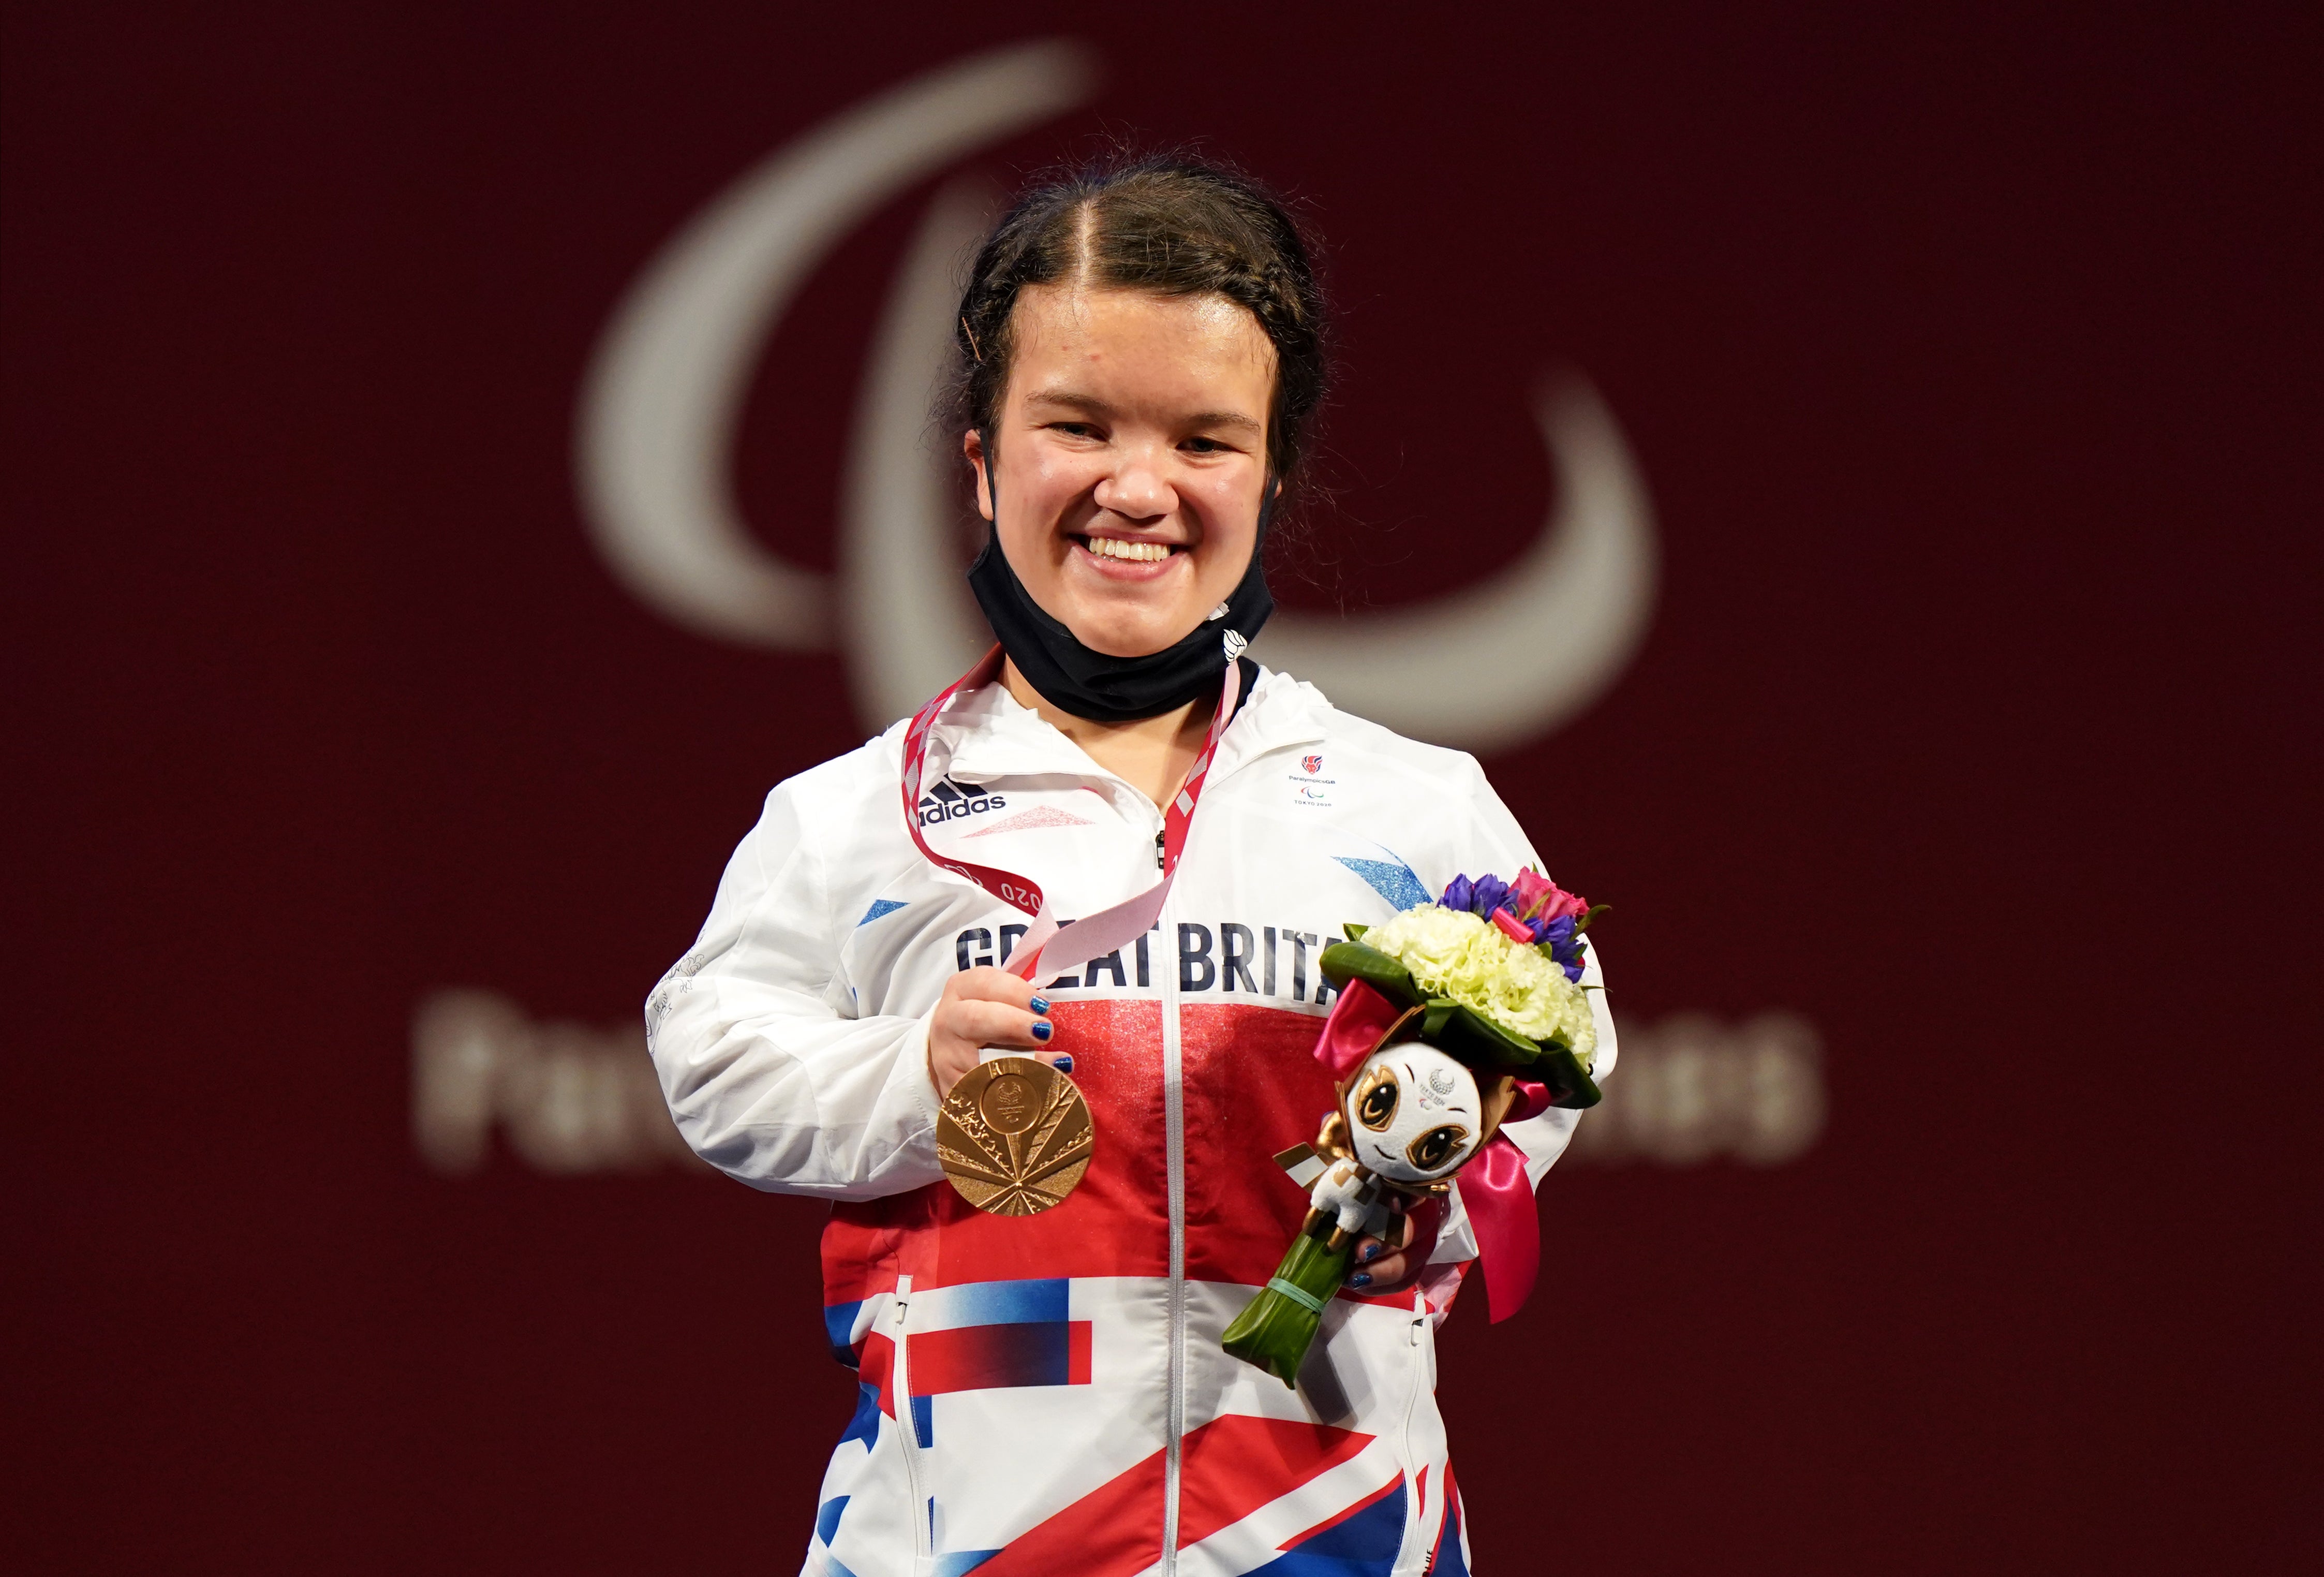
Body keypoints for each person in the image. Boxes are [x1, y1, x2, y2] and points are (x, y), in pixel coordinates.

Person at [648, 153, 1616, 1577]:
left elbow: (1563, 1035)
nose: (1139, 487)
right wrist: (908, 1076)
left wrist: (1444, 1177)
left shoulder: (1415, 809)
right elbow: (712, 1055)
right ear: (980, 463)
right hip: (961, 1542)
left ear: (1272, 468)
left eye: (1205, 440)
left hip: (1331, 1532)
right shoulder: (850, 816)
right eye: (1078, 424)